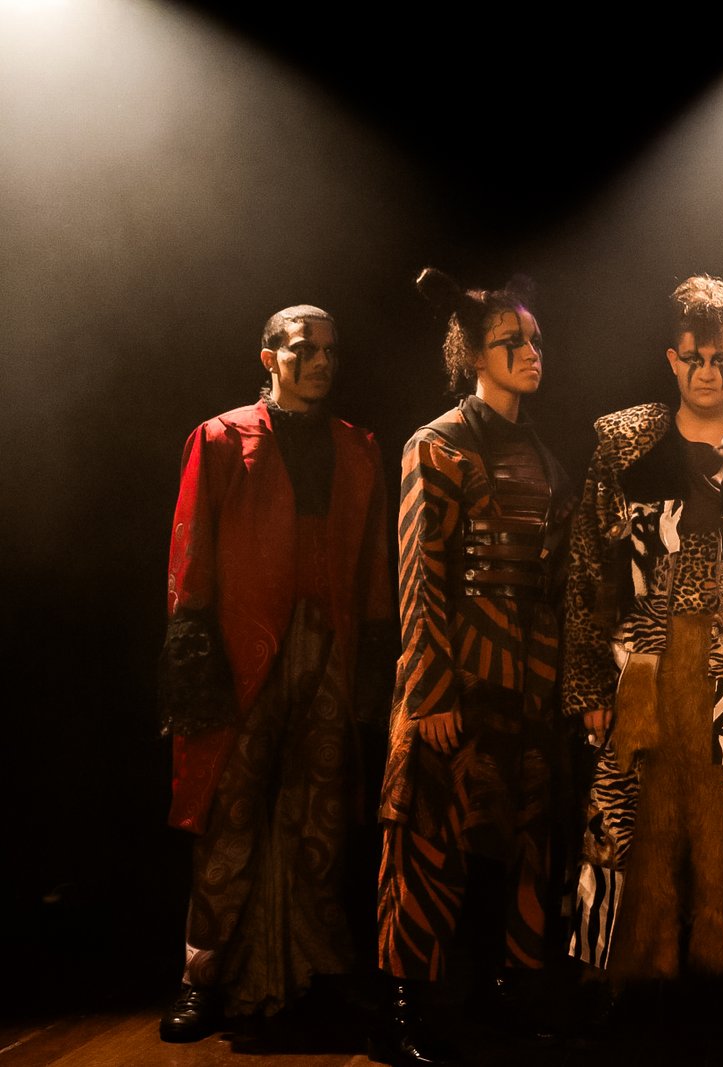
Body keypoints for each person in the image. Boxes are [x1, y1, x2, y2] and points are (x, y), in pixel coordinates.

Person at [563, 274, 723, 991]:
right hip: (641, 670)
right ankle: (616, 977)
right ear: (672, 361)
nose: (708, 372)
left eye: (722, 359)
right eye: (694, 358)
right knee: (622, 818)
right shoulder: (625, 450)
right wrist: (590, 684)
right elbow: (587, 570)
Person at [157, 304, 393, 1041]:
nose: (320, 361)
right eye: (302, 348)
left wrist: (369, 661)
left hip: (329, 648)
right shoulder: (221, 438)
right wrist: (196, 656)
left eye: (329, 350)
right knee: (230, 813)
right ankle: (202, 977)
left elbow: (374, 567)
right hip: (245, 653)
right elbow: (192, 550)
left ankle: (318, 971)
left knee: (321, 812)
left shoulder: (358, 447)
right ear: (269, 357)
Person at [372, 269, 575, 1066]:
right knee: (425, 840)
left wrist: (553, 687)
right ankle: (403, 1011)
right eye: (510, 341)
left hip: (525, 681)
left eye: (534, 338)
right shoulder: (438, 443)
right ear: (474, 355)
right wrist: (430, 691)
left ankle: (506, 991)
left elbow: (552, 586)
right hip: (454, 677)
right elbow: (420, 572)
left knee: (523, 843)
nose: (530, 351)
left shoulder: (545, 458)